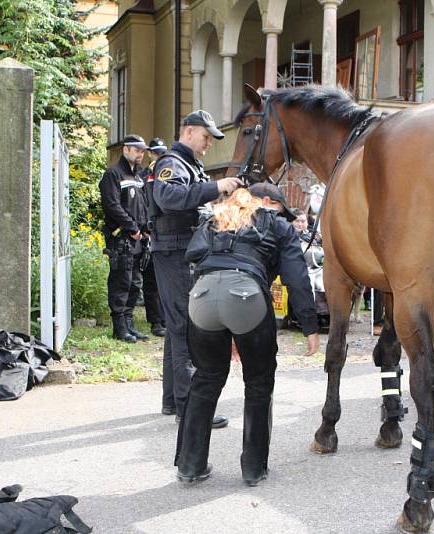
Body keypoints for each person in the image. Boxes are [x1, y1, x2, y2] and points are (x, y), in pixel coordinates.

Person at [175, 185, 320, 486]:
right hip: (247, 295)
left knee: (206, 377)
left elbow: (192, 262)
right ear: (265, 202)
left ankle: (190, 466)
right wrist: (310, 326)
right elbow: (296, 276)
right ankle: (253, 469)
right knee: (258, 382)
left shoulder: (213, 218)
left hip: (201, 295)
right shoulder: (277, 225)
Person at [149, 110, 243, 424]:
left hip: (181, 251)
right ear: (189, 132)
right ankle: (190, 408)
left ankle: (173, 402)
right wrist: (216, 187)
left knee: (177, 326)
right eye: (205, 137)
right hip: (174, 252)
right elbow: (170, 199)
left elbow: (195, 205)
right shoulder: (170, 164)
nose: (207, 145)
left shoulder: (188, 165)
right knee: (186, 327)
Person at [98, 134, 151, 343]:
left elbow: (144, 205)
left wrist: (145, 228)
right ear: (126, 149)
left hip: (137, 238)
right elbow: (112, 206)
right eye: (137, 150)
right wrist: (131, 227)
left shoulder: (138, 176)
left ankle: (129, 324)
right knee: (121, 281)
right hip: (121, 237)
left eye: (142, 151)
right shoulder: (113, 174)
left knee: (135, 283)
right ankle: (119, 328)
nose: (141, 154)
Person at [137, 137, 169, 338]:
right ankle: (156, 321)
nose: (157, 157)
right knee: (151, 280)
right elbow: (141, 204)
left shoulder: (168, 174)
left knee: (165, 280)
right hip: (149, 230)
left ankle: (165, 318)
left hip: (166, 231)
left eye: (161, 153)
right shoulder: (142, 176)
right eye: (155, 153)